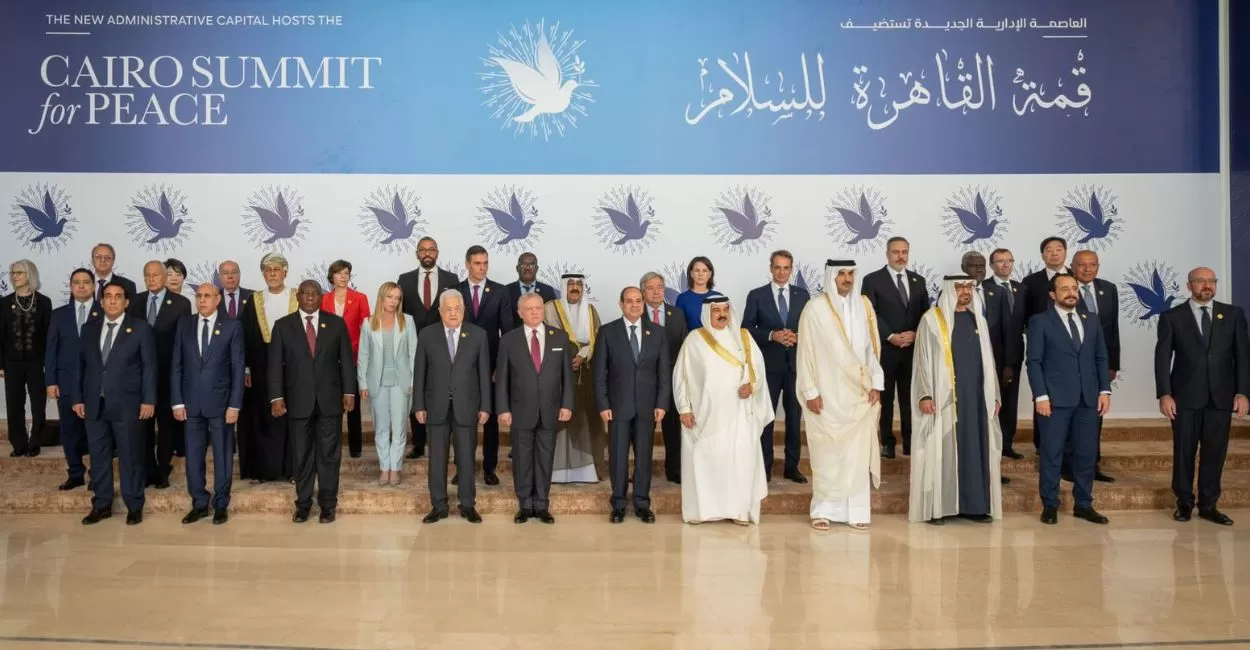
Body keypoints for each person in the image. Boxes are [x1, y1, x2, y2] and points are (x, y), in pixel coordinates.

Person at [1154, 267, 1248, 526]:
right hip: (1184, 398)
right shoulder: (1172, 317)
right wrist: (1164, 393)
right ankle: (1184, 502)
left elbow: (1243, 356)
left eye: (1211, 281)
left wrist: (1242, 392)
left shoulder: (1233, 314)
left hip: (1221, 397)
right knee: (1184, 451)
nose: (1207, 285)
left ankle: (1208, 505)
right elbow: (1162, 358)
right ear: (1189, 286)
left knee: (1215, 452)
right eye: (1200, 281)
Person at [910, 275, 1004, 524]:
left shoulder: (978, 319)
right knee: (940, 449)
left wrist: (994, 395)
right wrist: (925, 394)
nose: (965, 291)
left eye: (969, 287)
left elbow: (989, 361)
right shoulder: (932, 320)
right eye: (960, 287)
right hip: (943, 399)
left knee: (974, 448)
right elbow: (921, 360)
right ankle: (937, 508)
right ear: (949, 290)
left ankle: (974, 506)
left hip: (976, 399)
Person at [797, 260, 884, 531]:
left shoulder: (864, 305)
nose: (847, 278)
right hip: (827, 393)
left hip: (858, 393)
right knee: (827, 453)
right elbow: (805, 352)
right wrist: (810, 390)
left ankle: (857, 511)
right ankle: (823, 510)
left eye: (850, 274)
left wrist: (875, 383)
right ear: (831, 277)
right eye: (841, 274)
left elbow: (872, 349)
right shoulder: (815, 309)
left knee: (857, 453)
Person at [673, 295, 771, 525]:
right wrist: (684, 408)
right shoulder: (694, 340)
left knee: (739, 462)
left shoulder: (743, 337)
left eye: (725, 309)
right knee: (705, 460)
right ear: (707, 312)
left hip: (739, 414)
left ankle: (739, 511)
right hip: (705, 416)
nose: (722, 314)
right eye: (716, 310)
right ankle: (702, 511)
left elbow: (757, 369)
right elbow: (681, 377)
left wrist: (751, 385)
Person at [1026, 273, 1112, 525]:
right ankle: (1050, 505)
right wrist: (1041, 396)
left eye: (1074, 288)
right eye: (1064, 289)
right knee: (1052, 454)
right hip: (1054, 401)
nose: (1071, 292)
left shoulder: (1091, 319)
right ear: (1053, 294)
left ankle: (1083, 504)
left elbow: (1100, 358)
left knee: (1086, 455)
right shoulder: (1040, 321)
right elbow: (1034, 362)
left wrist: (1104, 391)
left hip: (1088, 400)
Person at [268, 280, 356, 524]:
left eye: (314, 293)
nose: (309, 296)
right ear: (297, 297)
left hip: (330, 401)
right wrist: (276, 397)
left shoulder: (336, 324)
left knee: (329, 456)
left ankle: (328, 505)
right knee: (301, 455)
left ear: (321, 297)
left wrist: (349, 392)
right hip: (297, 402)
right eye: (305, 293)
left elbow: (346, 361)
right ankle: (303, 504)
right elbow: (274, 365)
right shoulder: (283, 326)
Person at [73, 281, 156, 526]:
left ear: (126, 302)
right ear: (101, 301)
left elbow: (149, 367)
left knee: (130, 456)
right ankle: (101, 505)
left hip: (128, 404)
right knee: (98, 456)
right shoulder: (89, 329)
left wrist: (148, 400)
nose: (112, 300)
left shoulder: (140, 328)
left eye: (117, 296)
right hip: (94, 404)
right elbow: (80, 366)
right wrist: (78, 398)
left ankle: (134, 505)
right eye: (107, 296)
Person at [593, 286, 671, 524]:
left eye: (638, 301)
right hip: (617, 406)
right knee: (617, 457)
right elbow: (599, 373)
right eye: (629, 301)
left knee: (644, 457)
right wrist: (603, 404)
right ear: (621, 304)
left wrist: (662, 403)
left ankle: (641, 503)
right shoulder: (608, 332)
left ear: (643, 303)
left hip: (648, 407)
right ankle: (618, 504)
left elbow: (664, 372)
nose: (635, 305)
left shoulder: (657, 332)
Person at [413, 290, 490, 524]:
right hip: (435, 406)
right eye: (448, 309)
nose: (453, 313)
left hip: (467, 406)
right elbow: (420, 372)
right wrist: (418, 405)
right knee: (437, 459)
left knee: (466, 458)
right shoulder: (427, 334)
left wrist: (485, 406)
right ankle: (438, 505)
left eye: (457, 309)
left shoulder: (478, 335)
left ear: (463, 310)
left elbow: (484, 374)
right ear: (440, 311)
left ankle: (468, 504)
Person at [497, 292, 574, 523]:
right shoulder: (508, 340)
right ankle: (525, 505)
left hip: (551, 410)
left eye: (538, 308)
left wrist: (567, 404)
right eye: (529, 309)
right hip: (520, 410)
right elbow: (502, 379)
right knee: (522, 459)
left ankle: (541, 504)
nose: (534, 312)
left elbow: (567, 377)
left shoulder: (559, 337)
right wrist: (503, 409)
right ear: (520, 313)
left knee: (545, 458)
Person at [171, 283, 244, 526]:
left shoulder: (232, 326)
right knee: (193, 456)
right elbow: (177, 364)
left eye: (207, 296)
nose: (202, 300)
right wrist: (177, 401)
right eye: (199, 296)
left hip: (221, 404)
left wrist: (234, 405)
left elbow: (237, 368)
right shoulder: (184, 324)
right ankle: (199, 503)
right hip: (190, 403)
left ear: (218, 299)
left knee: (222, 455)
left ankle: (221, 504)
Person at [742, 250, 808, 483]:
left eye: (786, 268)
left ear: (791, 269)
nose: (781, 272)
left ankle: (792, 467)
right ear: (771, 268)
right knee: (766, 419)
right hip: (767, 368)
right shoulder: (756, 295)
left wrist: (798, 336)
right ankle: (765, 468)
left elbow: (810, 327)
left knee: (794, 419)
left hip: (795, 368)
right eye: (777, 267)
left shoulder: (803, 295)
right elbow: (746, 328)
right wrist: (772, 335)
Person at [860, 237, 929, 458]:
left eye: (904, 252)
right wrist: (890, 336)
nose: (901, 256)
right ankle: (887, 443)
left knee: (910, 398)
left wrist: (916, 334)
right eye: (896, 252)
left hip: (911, 351)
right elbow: (870, 313)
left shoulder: (919, 280)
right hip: (885, 351)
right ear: (887, 254)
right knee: (886, 399)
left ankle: (910, 442)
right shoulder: (872, 280)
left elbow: (926, 314)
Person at [128, 260, 191, 488]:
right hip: (139, 376)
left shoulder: (181, 303)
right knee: (143, 425)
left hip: (167, 374)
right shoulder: (135, 301)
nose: (151, 279)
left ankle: (163, 469)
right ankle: (148, 469)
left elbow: (183, 341)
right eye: (147, 275)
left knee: (166, 426)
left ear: (165, 277)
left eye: (155, 275)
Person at [397, 236, 459, 459]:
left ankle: (446, 443)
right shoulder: (404, 279)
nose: (427, 253)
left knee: (443, 391)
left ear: (437, 253)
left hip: (443, 345)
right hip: (413, 346)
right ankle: (418, 443)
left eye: (431, 249)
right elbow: (400, 314)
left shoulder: (451, 279)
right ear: (417, 254)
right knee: (418, 390)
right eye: (423, 250)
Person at [457, 245, 513, 486]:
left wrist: (501, 367)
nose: (482, 267)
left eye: (485, 263)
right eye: (477, 263)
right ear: (467, 264)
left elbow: (507, 333)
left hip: (491, 367)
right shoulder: (455, 291)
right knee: (462, 420)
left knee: (490, 421)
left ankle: (490, 468)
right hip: (462, 368)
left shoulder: (500, 291)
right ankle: (463, 468)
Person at [240, 253, 298, 483]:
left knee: (292, 417)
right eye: (268, 270)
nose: (272, 273)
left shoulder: (298, 297)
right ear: (263, 274)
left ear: (285, 272)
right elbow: (246, 337)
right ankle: (264, 470)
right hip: (260, 367)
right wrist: (247, 369)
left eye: (277, 269)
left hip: (293, 367)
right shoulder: (254, 300)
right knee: (263, 416)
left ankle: (292, 469)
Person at [544, 273, 604, 482]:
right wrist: (567, 357)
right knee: (560, 419)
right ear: (564, 286)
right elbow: (545, 336)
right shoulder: (550, 308)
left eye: (579, 283)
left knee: (585, 422)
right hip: (556, 374)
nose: (575, 287)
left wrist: (582, 355)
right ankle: (556, 471)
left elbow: (597, 338)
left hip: (585, 374)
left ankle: (587, 471)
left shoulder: (590, 310)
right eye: (571, 284)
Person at [357, 282, 417, 486]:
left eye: (397, 298)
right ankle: (384, 467)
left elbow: (413, 353)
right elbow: (363, 356)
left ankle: (395, 468)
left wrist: (413, 381)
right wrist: (363, 384)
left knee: (399, 428)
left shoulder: (407, 321)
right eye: (390, 297)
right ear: (381, 298)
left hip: (402, 383)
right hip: (377, 383)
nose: (394, 302)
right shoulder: (369, 323)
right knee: (381, 428)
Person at [45, 268, 100, 488]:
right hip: (66, 382)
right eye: (76, 282)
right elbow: (51, 350)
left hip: (96, 384)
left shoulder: (104, 311)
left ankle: (97, 475)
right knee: (69, 431)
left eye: (86, 282)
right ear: (70, 287)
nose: (81, 286)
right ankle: (75, 473)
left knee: (97, 432)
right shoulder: (59, 314)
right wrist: (51, 381)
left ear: (94, 286)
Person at [961, 250, 1012, 485]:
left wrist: (1008, 364)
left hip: (994, 366)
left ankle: (992, 469)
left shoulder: (998, 293)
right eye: (973, 266)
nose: (979, 270)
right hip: (966, 369)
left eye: (982, 266)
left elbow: (1007, 331)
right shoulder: (951, 293)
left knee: (992, 419)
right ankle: (969, 469)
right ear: (964, 268)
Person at [1068, 250, 1120, 483]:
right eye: (1082, 264)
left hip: (1098, 365)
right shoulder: (1064, 287)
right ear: (1072, 266)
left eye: (1092, 264)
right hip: (1070, 365)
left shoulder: (1108, 289)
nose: (1087, 269)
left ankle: (1092, 465)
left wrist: (1113, 363)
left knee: (1094, 416)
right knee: (1070, 415)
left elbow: (1113, 329)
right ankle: (1069, 465)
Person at [641, 271, 688, 483]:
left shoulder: (677, 314)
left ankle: (675, 470)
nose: (656, 292)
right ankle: (642, 472)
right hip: (645, 381)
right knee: (643, 430)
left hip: (672, 380)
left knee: (673, 430)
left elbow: (684, 347)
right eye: (650, 288)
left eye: (659, 287)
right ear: (643, 291)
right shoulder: (636, 314)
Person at [1, 260, 53, 457]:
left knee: (38, 404)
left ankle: (35, 442)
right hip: (12, 362)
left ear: (30, 274)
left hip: (37, 362)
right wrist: (1, 363)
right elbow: (1, 335)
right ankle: (19, 443)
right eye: (13, 273)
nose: (15, 276)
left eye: (19, 273)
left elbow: (49, 335)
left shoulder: (44, 302)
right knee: (14, 404)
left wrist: (49, 362)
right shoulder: (4, 303)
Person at [320, 260, 370, 458]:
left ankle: (355, 447)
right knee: (331, 403)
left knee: (353, 404)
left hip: (353, 356)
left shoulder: (360, 298)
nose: (343, 276)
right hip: (328, 358)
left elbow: (366, 329)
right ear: (331, 276)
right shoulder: (323, 299)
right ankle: (331, 446)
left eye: (346, 273)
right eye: (339, 273)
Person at [988, 248, 1025, 460]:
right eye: (1000, 261)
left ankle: (1007, 444)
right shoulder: (983, 287)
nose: (1005, 264)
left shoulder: (1022, 289)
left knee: (1010, 401)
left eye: (1009, 260)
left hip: (1015, 354)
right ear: (991, 265)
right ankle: (990, 443)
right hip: (990, 354)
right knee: (991, 400)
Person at [674, 257, 722, 329]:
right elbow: (679, 327)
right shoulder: (682, 298)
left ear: (710, 274)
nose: (700, 274)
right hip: (691, 336)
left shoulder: (718, 297)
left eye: (704, 271)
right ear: (691, 273)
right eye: (697, 270)